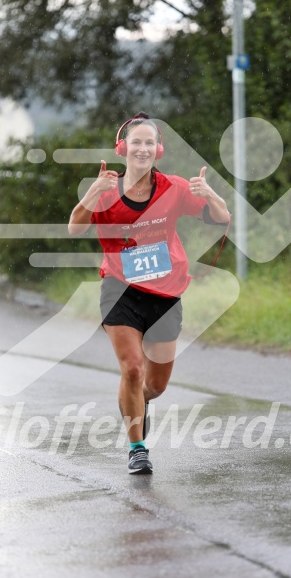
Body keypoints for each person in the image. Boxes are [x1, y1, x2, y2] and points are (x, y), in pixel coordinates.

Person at [68, 112, 230, 474]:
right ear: (123, 148)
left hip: (165, 295)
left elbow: (221, 217)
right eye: (135, 142)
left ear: (158, 150)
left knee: (154, 385)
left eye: (149, 142)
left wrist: (211, 195)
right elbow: (74, 227)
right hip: (120, 290)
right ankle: (137, 447)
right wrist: (92, 194)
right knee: (132, 369)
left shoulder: (172, 188)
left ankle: (136, 406)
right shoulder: (107, 191)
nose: (142, 148)